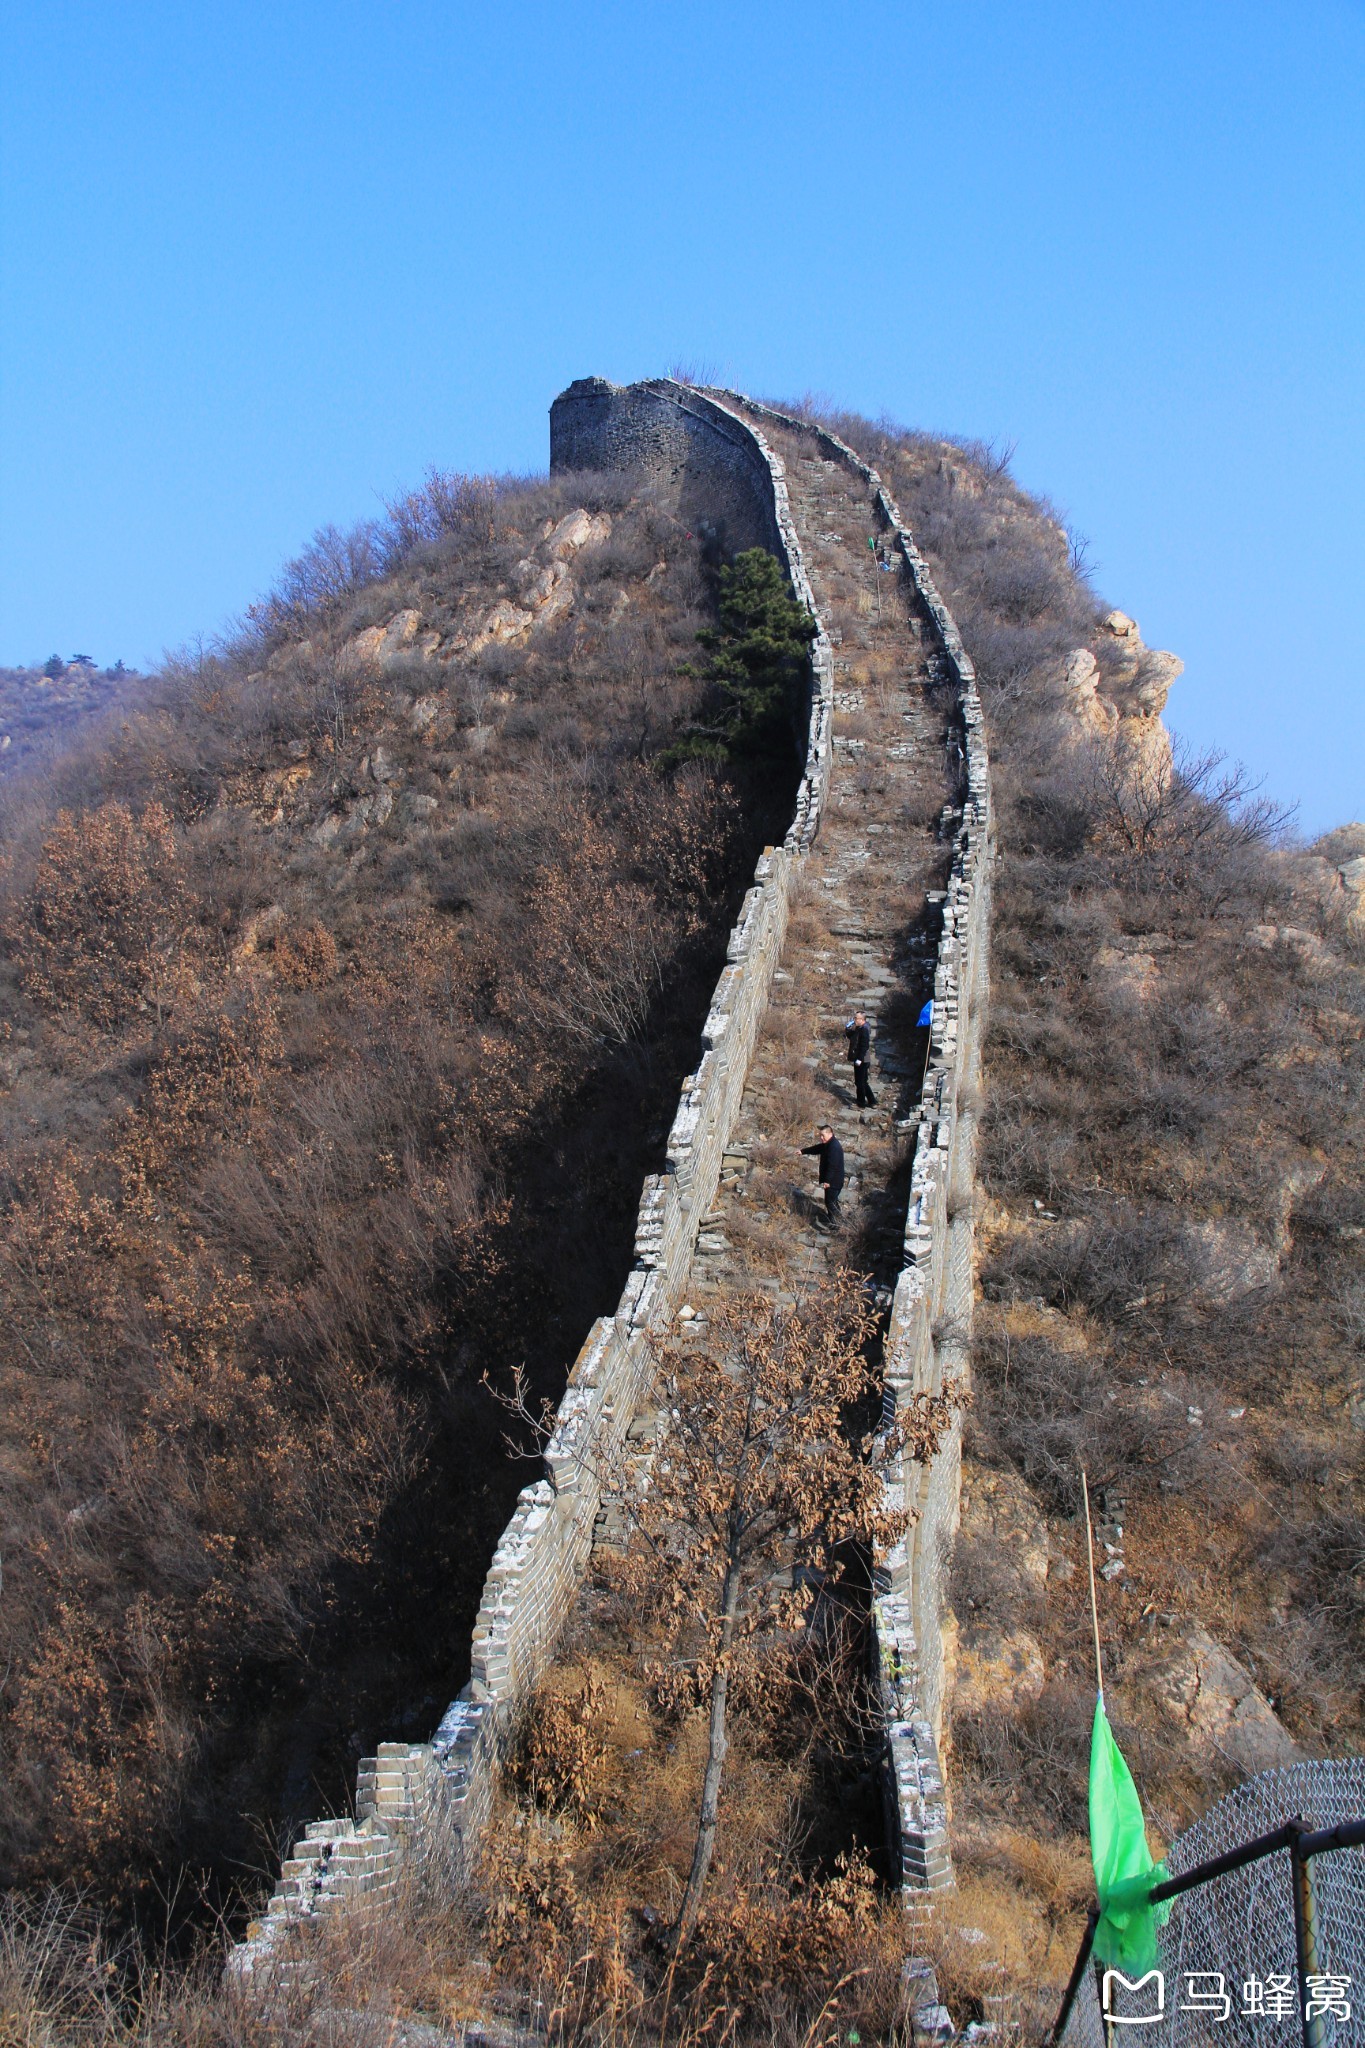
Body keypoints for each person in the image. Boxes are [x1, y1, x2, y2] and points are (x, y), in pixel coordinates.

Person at [801, 1125, 845, 1227]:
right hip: (836, 1180)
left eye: (823, 1135)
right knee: (833, 1201)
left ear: (830, 1134)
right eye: (820, 1135)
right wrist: (803, 1151)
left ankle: (837, 1225)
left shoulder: (834, 1147)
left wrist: (827, 1181)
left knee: (830, 1203)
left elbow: (832, 1166)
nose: (821, 1138)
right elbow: (817, 1148)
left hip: (834, 1182)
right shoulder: (829, 1144)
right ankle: (837, 1221)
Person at [845, 1011, 877, 1108]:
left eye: (856, 1018)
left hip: (862, 1059)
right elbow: (851, 1036)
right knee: (863, 1081)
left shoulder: (864, 1030)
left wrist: (859, 1059)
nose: (854, 1020)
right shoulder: (859, 1028)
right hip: (860, 1058)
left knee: (859, 1082)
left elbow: (864, 1046)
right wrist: (848, 1028)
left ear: (862, 1020)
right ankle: (872, 1101)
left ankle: (861, 1103)